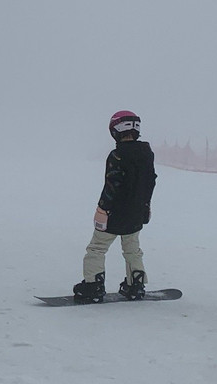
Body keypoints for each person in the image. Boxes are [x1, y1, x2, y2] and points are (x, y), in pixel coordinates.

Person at [73, 111, 157, 303]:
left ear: (115, 131)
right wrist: (145, 206)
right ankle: (135, 284)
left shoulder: (117, 155)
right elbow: (150, 182)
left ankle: (93, 286)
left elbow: (112, 185)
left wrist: (102, 209)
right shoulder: (146, 153)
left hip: (114, 213)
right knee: (132, 249)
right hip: (136, 212)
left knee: (97, 248)